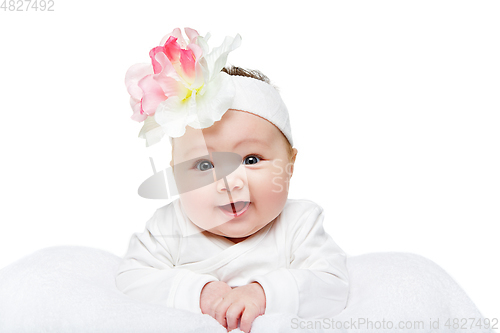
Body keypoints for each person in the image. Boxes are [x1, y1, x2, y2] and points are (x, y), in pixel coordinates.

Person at [116, 27, 349, 333]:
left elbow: (333, 284)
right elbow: (130, 278)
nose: (229, 182)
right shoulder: (169, 227)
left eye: (251, 160)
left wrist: (264, 294)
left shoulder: (298, 224)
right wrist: (200, 293)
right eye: (203, 164)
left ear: (289, 165)